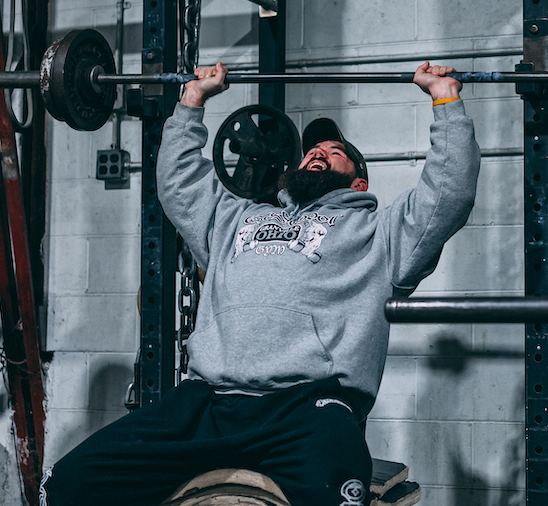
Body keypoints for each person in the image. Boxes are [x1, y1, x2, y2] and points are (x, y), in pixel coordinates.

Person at [40, 61, 480, 506]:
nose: (317, 153)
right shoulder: (238, 218)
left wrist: (445, 99)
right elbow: (179, 185)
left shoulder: (379, 233)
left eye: (334, 151)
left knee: (340, 492)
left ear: (359, 181)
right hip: (207, 401)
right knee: (70, 482)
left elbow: (447, 195)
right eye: (312, 151)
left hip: (305, 407)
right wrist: (192, 100)